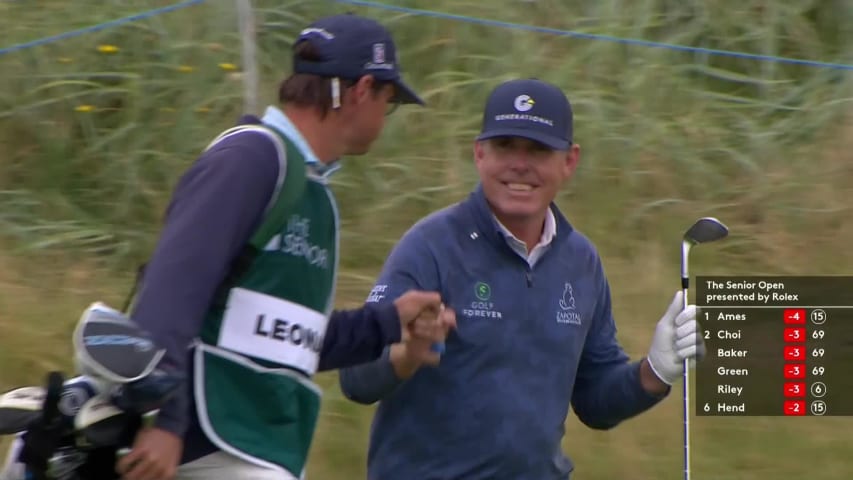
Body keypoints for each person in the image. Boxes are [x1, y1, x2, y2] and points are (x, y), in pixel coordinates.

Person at [110, 13, 455, 480]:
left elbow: (291, 340)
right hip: (201, 444)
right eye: (388, 101)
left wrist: (389, 321)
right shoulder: (252, 160)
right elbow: (169, 294)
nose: (384, 116)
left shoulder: (312, 191)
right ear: (361, 90)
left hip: (248, 445)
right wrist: (161, 420)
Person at [338, 78, 705, 480]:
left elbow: (595, 401)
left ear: (569, 161)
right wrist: (404, 355)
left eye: (538, 149)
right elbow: (356, 378)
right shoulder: (431, 247)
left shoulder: (580, 261)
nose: (520, 164)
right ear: (479, 153)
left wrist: (655, 372)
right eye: (505, 146)